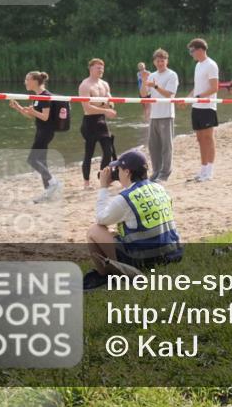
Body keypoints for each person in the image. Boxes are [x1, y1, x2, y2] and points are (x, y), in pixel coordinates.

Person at [83, 149, 182, 290]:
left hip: (145, 261)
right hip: (173, 253)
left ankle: (104, 274)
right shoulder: (159, 188)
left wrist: (104, 188)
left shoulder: (125, 198)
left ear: (127, 172)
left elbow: (100, 219)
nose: (117, 173)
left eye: (119, 169)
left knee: (94, 230)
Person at [9, 70, 63, 202]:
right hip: (40, 131)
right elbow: (31, 116)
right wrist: (18, 108)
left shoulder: (45, 96)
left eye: (27, 79)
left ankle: (53, 182)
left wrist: (33, 111)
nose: (25, 82)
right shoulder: (37, 96)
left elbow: (45, 117)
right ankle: (48, 192)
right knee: (42, 161)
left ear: (34, 81)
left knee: (32, 160)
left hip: (46, 132)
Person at [78, 58, 117, 190]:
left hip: (102, 121)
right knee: (88, 153)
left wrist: (110, 105)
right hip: (89, 122)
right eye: (97, 68)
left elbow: (111, 100)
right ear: (90, 69)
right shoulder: (85, 85)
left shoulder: (104, 84)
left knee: (108, 151)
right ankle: (86, 183)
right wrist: (105, 109)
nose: (100, 70)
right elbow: (87, 107)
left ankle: (102, 177)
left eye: (102, 68)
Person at [141, 48, 178, 182]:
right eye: (158, 61)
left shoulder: (172, 75)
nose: (160, 63)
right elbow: (144, 94)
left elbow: (169, 94)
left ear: (166, 61)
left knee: (166, 145)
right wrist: (144, 80)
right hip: (154, 115)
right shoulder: (152, 75)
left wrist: (156, 87)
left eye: (162, 61)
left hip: (166, 114)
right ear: (154, 62)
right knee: (153, 145)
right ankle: (156, 171)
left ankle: (165, 173)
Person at [186, 38, 220, 181]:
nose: (191, 54)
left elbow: (214, 87)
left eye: (192, 51)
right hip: (197, 106)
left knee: (208, 138)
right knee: (200, 139)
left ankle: (209, 172)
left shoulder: (211, 65)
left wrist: (200, 96)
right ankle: (203, 169)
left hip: (207, 106)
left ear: (200, 50)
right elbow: (198, 86)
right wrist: (189, 98)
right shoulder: (198, 65)